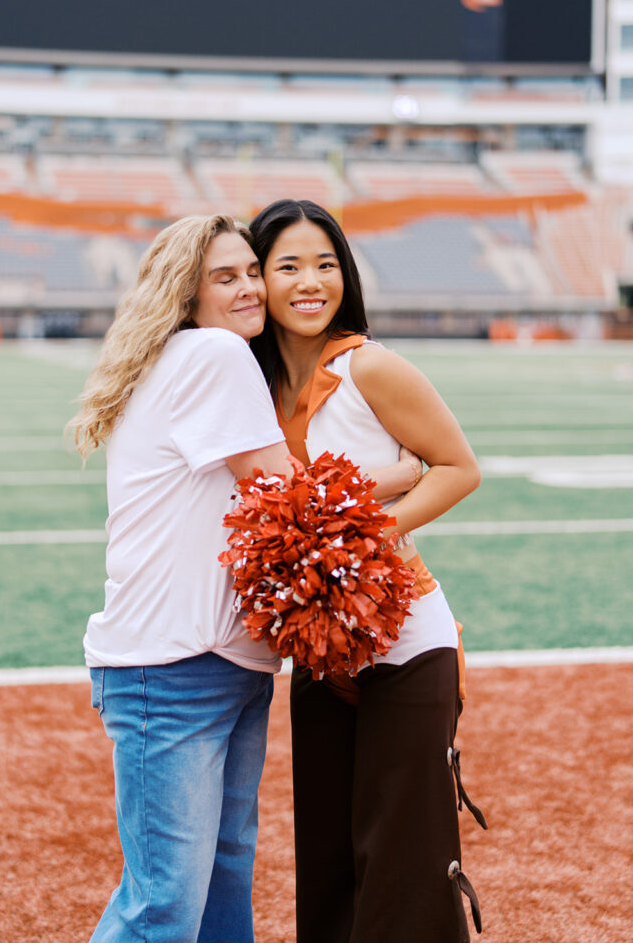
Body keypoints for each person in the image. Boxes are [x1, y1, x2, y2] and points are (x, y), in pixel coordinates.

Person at [248, 199, 485, 943]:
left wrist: (359, 537)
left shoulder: (369, 366)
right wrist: (382, 478)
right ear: (258, 280)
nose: (310, 281)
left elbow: (457, 468)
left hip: (407, 641)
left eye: (325, 264)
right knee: (328, 854)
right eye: (288, 265)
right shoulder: (249, 386)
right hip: (321, 649)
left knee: (406, 856)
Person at [70, 214, 294, 943]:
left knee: (221, 885)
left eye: (252, 271)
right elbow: (283, 487)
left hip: (222, 661)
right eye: (224, 278)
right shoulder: (213, 355)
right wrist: (407, 472)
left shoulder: (185, 357)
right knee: (164, 905)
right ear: (186, 295)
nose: (250, 288)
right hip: (170, 668)